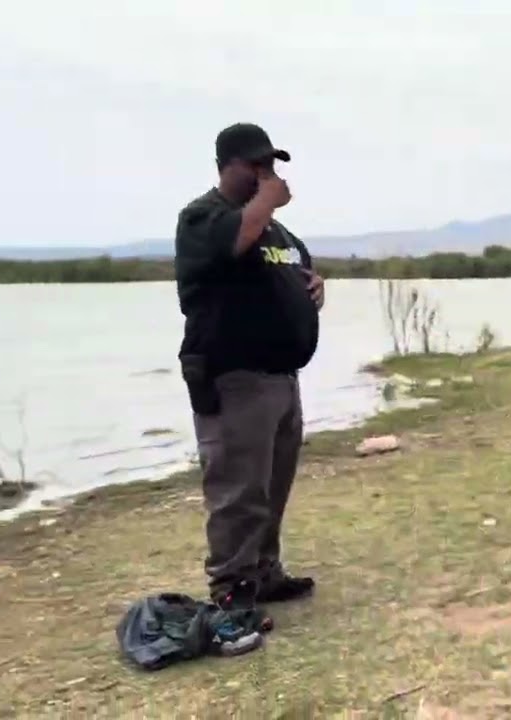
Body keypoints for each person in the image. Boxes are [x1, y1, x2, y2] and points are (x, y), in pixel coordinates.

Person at [174, 122, 325, 615]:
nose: (267, 174)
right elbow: (234, 243)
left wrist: (313, 292)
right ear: (228, 166)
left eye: (272, 165)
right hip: (233, 375)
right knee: (238, 490)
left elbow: (291, 268)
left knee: (271, 485)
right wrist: (266, 202)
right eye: (256, 165)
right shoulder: (204, 217)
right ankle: (232, 588)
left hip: (281, 377)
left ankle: (264, 571)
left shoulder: (276, 230)